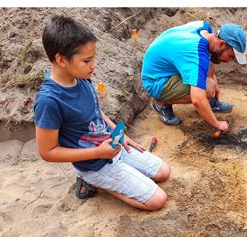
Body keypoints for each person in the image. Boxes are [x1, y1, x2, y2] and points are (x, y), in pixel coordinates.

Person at [34, 15, 170, 211]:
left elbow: (95, 112)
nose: (94, 65)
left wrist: (120, 135)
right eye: (87, 60)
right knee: (158, 200)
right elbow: (47, 152)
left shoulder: (80, 77)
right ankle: (94, 181)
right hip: (95, 163)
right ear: (61, 59)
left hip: (111, 146)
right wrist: (99, 152)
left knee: (163, 172)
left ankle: (119, 172)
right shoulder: (49, 101)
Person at [141, 21, 247, 131]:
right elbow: (197, 99)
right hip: (155, 81)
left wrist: (213, 80)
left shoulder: (205, 29)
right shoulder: (196, 52)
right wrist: (217, 124)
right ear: (221, 44)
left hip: (165, 68)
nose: (229, 61)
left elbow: (210, 59)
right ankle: (161, 103)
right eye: (231, 56)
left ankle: (208, 101)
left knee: (210, 84)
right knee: (208, 88)